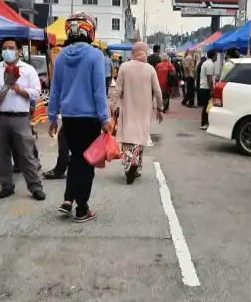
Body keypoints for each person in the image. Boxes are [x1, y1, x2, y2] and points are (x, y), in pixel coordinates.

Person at [48, 12, 111, 223]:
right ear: (89, 30)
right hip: (90, 119)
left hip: (69, 118)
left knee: (75, 157)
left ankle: (68, 199)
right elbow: (98, 92)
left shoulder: (61, 57)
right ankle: (82, 209)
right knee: (87, 162)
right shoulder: (95, 56)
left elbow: (54, 90)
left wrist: (51, 118)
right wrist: (105, 119)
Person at [0, 37, 45, 200]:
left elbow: (36, 92)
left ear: (18, 51)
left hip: (21, 118)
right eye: (5, 48)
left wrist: (19, 89)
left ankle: (35, 186)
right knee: (1, 154)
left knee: (26, 155)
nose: (7, 51)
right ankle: (7, 186)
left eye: (11, 48)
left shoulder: (28, 70)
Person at [115, 42, 164, 184]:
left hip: (128, 108)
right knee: (140, 137)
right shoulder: (150, 69)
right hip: (144, 110)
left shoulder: (124, 67)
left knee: (128, 138)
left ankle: (130, 165)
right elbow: (158, 92)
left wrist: (112, 107)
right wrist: (160, 109)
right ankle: (136, 166)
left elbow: (117, 90)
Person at [198, 50, 217, 130]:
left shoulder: (206, 63)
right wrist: (212, 89)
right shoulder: (210, 64)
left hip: (204, 86)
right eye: (216, 55)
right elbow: (209, 78)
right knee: (207, 106)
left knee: (206, 106)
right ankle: (204, 123)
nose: (216, 57)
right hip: (206, 87)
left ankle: (205, 122)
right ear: (213, 56)